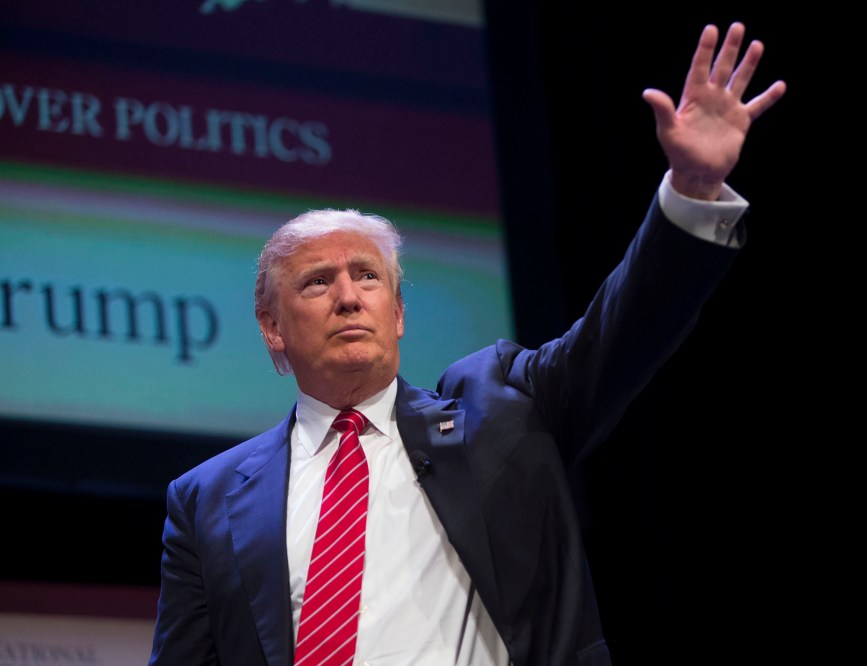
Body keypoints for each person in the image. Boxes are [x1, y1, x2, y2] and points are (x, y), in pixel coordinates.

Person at [148, 21, 786, 666]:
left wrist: (693, 192)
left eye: (367, 276)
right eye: (318, 282)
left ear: (397, 312)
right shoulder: (208, 499)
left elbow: (623, 329)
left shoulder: (502, 409)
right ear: (272, 327)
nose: (349, 297)